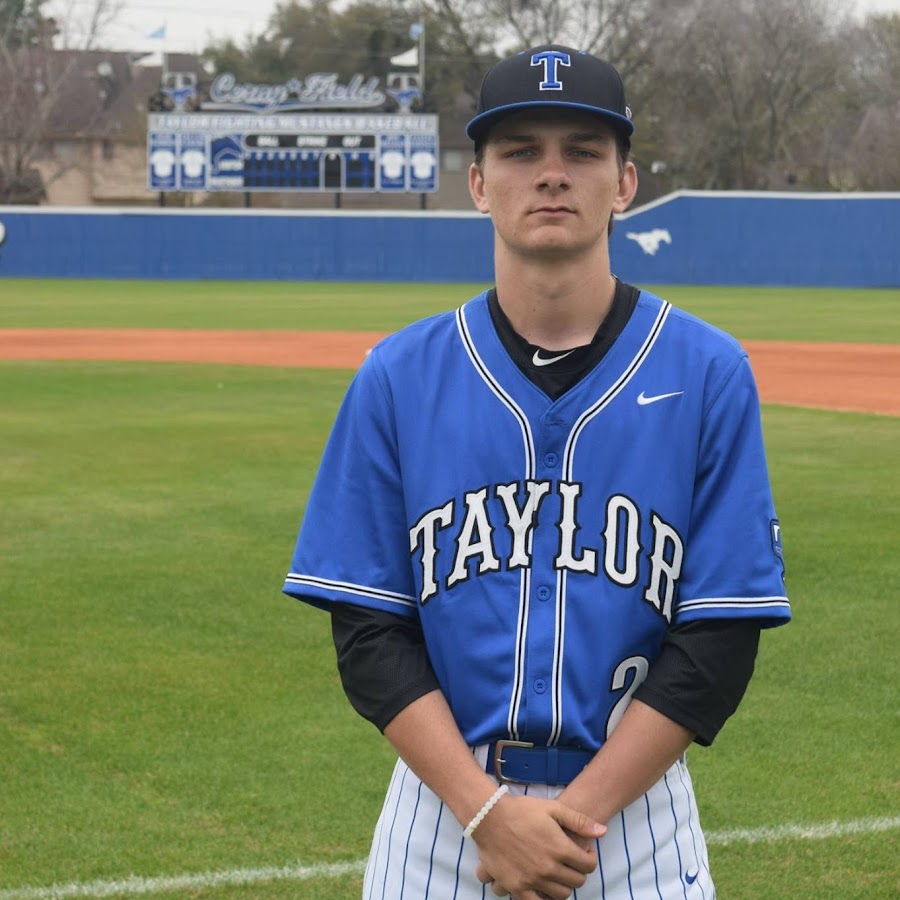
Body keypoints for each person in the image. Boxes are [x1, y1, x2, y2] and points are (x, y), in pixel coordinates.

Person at [283, 43, 790, 900]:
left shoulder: (708, 371)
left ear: (624, 182)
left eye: (582, 152)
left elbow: (717, 640)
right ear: (478, 183)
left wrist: (572, 817)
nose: (551, 174)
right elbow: (369, 634)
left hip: (633, 822)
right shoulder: (397, 376)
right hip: (443, 818)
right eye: (521, 151)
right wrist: (487, 813)